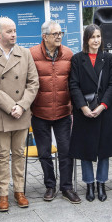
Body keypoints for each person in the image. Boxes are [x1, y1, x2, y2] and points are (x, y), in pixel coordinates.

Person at [0, 17, 39, 212]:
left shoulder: (25, 54)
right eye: (9, 31)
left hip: (21, 112)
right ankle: (3, 193)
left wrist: (21, 106)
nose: (14, 34)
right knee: (3, 155)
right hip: (2, 113)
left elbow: (33, 83)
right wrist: (10, 106)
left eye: (14, 30)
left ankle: (19, 191)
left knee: (20, 154)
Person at [69, 25, 112, 202]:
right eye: (92, 37)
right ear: (86, 39)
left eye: (98, 36)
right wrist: (83, 107)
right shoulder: (77, 59)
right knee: (85, 150)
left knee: (104, 150)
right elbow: (73, 85)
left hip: (103, 111)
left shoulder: (108, 58)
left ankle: (101, 184)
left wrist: (103, 105)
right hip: (84, 111)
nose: (96, 40)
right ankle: (89, 184)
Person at [29, 20, 79, 203]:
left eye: (60, 33)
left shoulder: (68, 54)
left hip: (63, 113)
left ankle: (67, 187)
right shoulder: (32, 54)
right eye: (55, 33)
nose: (59, 36)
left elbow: (73, 83)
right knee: (44, 153)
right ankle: (50, 186)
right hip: (39, 113)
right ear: (44, 36)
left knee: (66, 152)